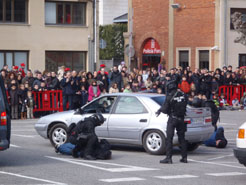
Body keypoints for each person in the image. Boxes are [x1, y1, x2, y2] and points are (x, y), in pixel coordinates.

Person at [156, 80, 188, 164]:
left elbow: (165, 109)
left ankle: (168, 158)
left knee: (169, 138)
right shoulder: (183, 95)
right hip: (181, 119)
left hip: (173, 119)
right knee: (182, 138)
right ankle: (184, 158)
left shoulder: (169, 96)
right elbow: (185, 104)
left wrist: (160, 111)